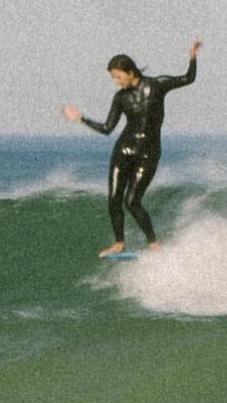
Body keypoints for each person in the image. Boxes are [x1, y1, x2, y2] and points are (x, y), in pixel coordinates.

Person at [63, 40, 201, 257]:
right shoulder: (120, 98)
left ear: (130, 71)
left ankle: (154, 243)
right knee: (114, 199)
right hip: (124, 150)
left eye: (118, 77)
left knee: (132, 201)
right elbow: (108, 128)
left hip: (149, 152)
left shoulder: (157, 85)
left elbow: (188, 78)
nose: (116, 82)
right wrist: (82, 118)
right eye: (113, 78)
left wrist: (192, 57)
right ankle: (119, 244)